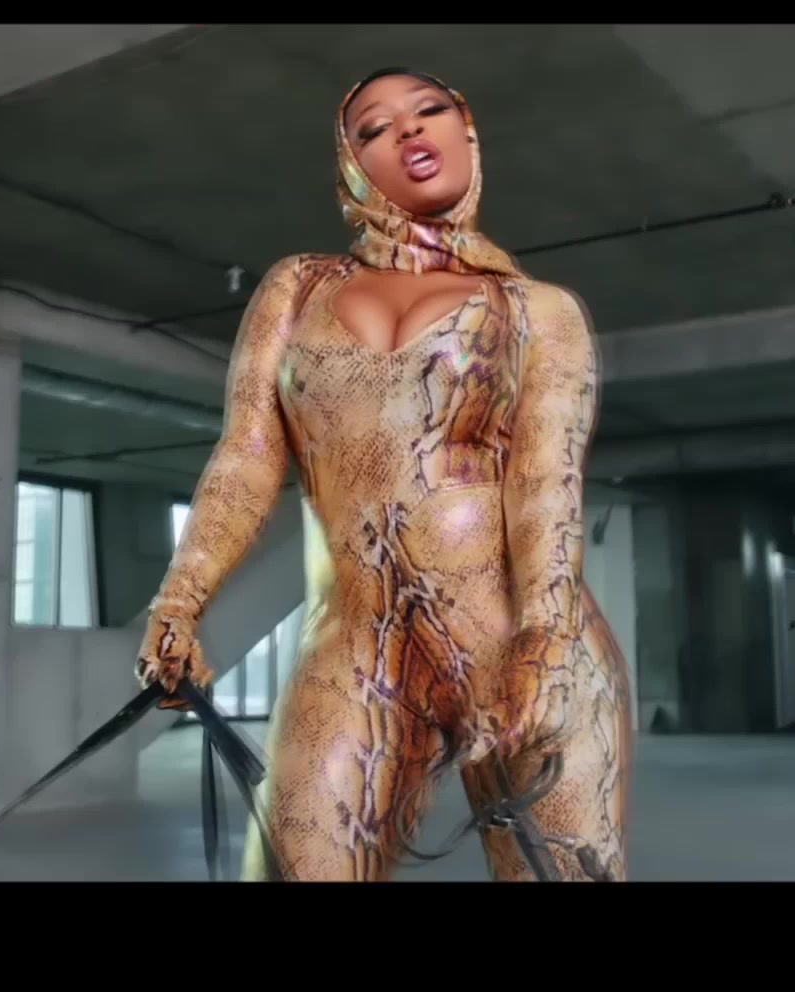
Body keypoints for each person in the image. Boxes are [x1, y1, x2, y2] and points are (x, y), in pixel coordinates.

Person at [135, 68, 634, 882]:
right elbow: (248, 454)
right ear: (353, 166)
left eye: (429, 111)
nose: (407, 130)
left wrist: (544, 642)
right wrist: (180, 600)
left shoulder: (538, 311)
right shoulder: (298, 288)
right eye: (373, 127)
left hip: (520, 641)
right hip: (356, 645)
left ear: (467, 134)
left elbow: (546, 486)